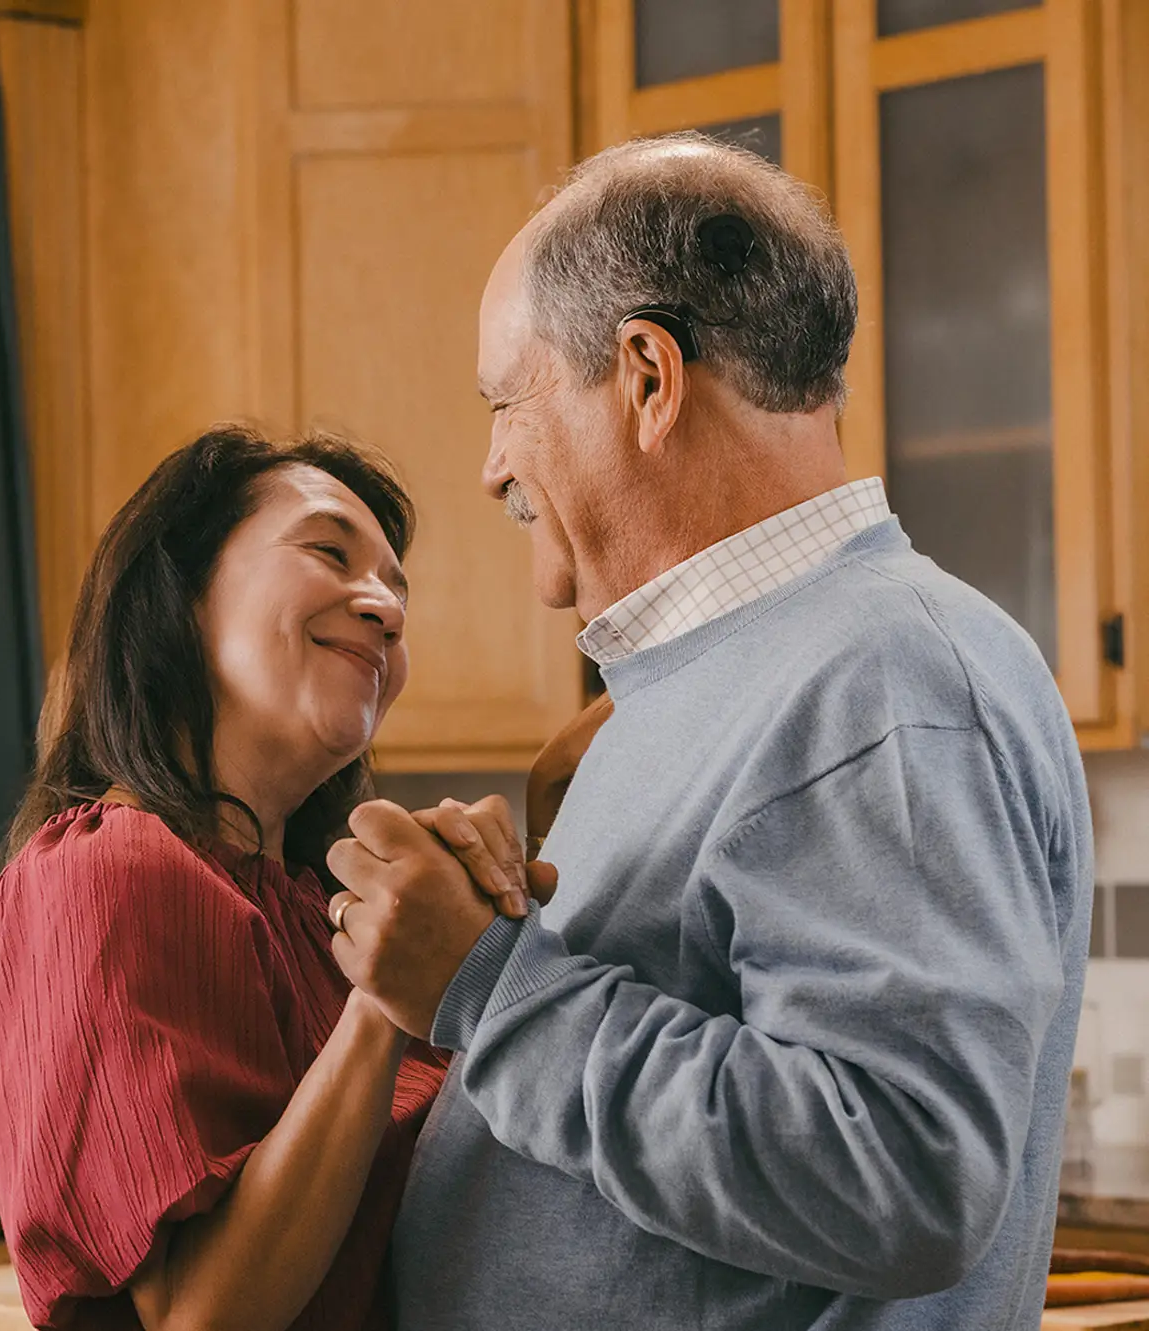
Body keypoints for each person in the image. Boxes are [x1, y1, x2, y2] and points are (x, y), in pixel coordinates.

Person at [326, 132, 1092, 1329]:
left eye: (504, 402)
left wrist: (483, 987)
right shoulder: (727, 676)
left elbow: (901, 1173)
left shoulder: (878, 677)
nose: (488, 467)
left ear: (644, 375)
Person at [0, 427, 539, 1331]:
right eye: (327, 550)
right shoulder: (104, 872)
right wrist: (389, 989)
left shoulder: (318, 907)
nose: (386, 610)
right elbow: (204, 1315)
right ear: (181, 594)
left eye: (397, 590)